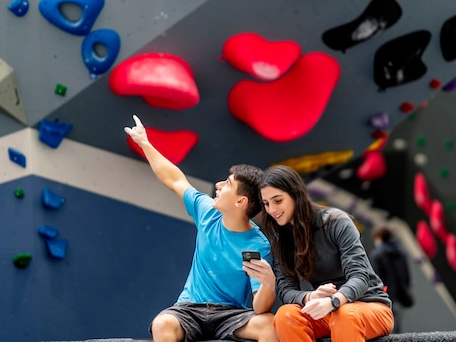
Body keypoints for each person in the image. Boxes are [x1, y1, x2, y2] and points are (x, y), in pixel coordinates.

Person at [124, 115, 278, 342]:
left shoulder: (258, 244)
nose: (218, 185)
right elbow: (175, 179)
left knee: (268, 324)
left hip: (231, 314)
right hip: (189, 309)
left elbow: (260, 306)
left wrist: (268, 284)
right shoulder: (207, 211)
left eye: (227, 184)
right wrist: (144, 143)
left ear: (240, 202)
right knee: (162, 323)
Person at [259, 165, 394, 342]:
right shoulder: (281, 239)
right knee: (286, 315)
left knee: (345, 315)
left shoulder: (336, 221)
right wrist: (310, 296)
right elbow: (285, 290)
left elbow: (360, 276)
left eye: (278, 201)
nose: (272, 210)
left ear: (295, 195)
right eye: (266, 204)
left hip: (369, 306)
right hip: (327, 311)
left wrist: (334, 301)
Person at [368, 225, 413, 334]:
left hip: (385, 296)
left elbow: (376, 278)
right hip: (401, 295)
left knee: (386, 329)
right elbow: (406, 275)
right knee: (397, 328)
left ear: (378, 237)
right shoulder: (400, 253)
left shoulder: (377, 255)